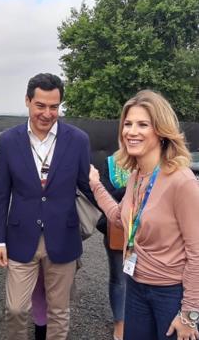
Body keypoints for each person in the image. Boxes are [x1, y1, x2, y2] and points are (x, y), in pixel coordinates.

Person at [89, 90, 199, 340]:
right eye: (127, 124)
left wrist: (190, 315)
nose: (131, 131)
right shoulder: (137, 176)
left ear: (160, 131)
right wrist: (96, 185)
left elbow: (197, 252)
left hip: (171, 295)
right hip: (136, 287)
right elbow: (119, 218)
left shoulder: (182, 181)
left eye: (142, 124)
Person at [0, 73, 92, 340]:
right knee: (15, 309)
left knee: (59, 311)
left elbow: (88, 186)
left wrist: (121, 209)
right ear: (27, 101)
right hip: (20, 236)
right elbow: (1, 193)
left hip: (63, 236)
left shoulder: (78, 139)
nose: (47, 113)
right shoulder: (9, 140)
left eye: (54, 107)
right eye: (41, 105)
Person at [96, 154, 130, 340]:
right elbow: (105, 196)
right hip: (119, 230)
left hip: (152, 232)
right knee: (119, 278)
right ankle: (120, 322)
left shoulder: (161, 162)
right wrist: (134, 186)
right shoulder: (112, 163)